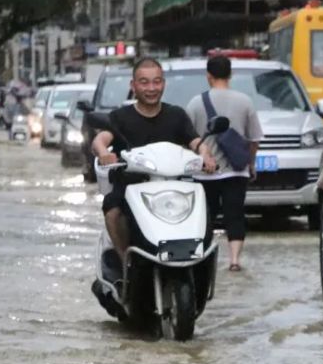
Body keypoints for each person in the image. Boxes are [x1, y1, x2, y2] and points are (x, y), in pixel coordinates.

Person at [92, 57, 217, 271]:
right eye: (144, 82)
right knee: (112, 211)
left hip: (173, 189)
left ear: (163, 84)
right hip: (131, 187)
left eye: (157, 81)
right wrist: (104, 153)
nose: (151, 88)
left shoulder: (176, 115)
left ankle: (201, 266)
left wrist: (206, 155)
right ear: (133, 86)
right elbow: (100, 140)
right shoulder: (120, 117)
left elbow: (197, 143)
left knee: (206, 208)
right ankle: (126, 264)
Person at [185, 55, 263, 272]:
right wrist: (251, 163)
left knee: (205, 217)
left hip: (203, 172)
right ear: (230, 74)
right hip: (236, 171)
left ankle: (203, 260)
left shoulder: (195, 103)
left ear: (208, 76)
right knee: (235, 215)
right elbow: (254, 138)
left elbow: (188, 137)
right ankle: (235, 260)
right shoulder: (245, 101)